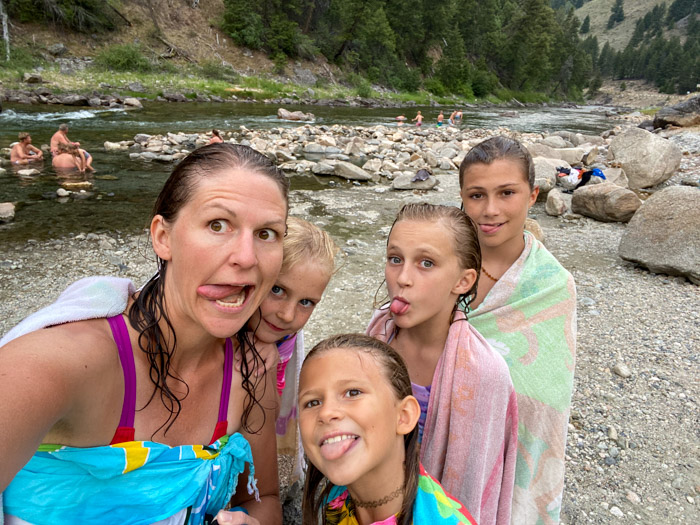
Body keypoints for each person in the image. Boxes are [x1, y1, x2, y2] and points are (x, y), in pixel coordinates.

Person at [0, 143, 289, 524]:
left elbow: (263, 498)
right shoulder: (55, 366)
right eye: (218, 225)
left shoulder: (250, 371)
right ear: (162, 237)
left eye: (267, 233)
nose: (247, 257)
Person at [366, 203, 517, 525]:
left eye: (426, 263)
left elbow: (473, 488)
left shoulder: (483, 373)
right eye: (395, 259)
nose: (402, 278)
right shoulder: (378, 333)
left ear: (463, 281)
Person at [459, 136, 577, 524]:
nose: (490, 210)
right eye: (476, 195)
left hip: (514, 459)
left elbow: (546, 397)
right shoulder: (438, 263)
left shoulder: (552, 286)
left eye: (506, 193)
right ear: (461, 198)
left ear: (533, 196)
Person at [299, 333, 477, 525]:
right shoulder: (336, 497)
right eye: (312, 402)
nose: (326, 412)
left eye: (353, 392)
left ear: (404, 416)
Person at [245, 216, 338, 479]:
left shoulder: (284, 340)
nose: (287, 315)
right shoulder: (219, 325)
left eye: (306, 302)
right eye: (277, 289)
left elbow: (270, 413)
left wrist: (270, 367)